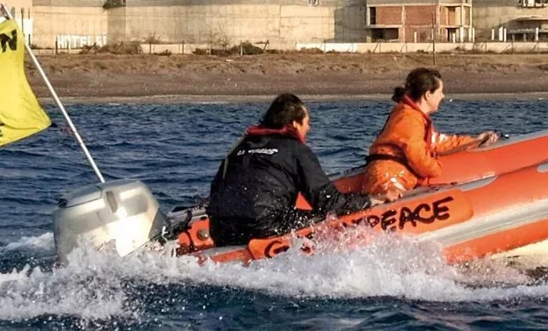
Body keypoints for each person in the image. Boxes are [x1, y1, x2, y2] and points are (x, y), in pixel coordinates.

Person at [207, 93, 395, 247]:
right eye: (307, 122)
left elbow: (216, 190)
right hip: (263, 227)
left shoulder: (239, 146)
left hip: (221, 231)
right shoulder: (296, 149)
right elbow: (328, 203)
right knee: (328, 218)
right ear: (294, 124)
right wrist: (371, 200)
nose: (309, 128)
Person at [362, 67, 499, 198]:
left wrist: (475, 141)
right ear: (428, 95)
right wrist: (436, 169)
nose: (443, 96)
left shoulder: (414, 116)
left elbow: (438, 142)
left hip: (393, 174)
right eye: (440, 92)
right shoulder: (409, 118)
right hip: (387, 177)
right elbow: (417, 155)